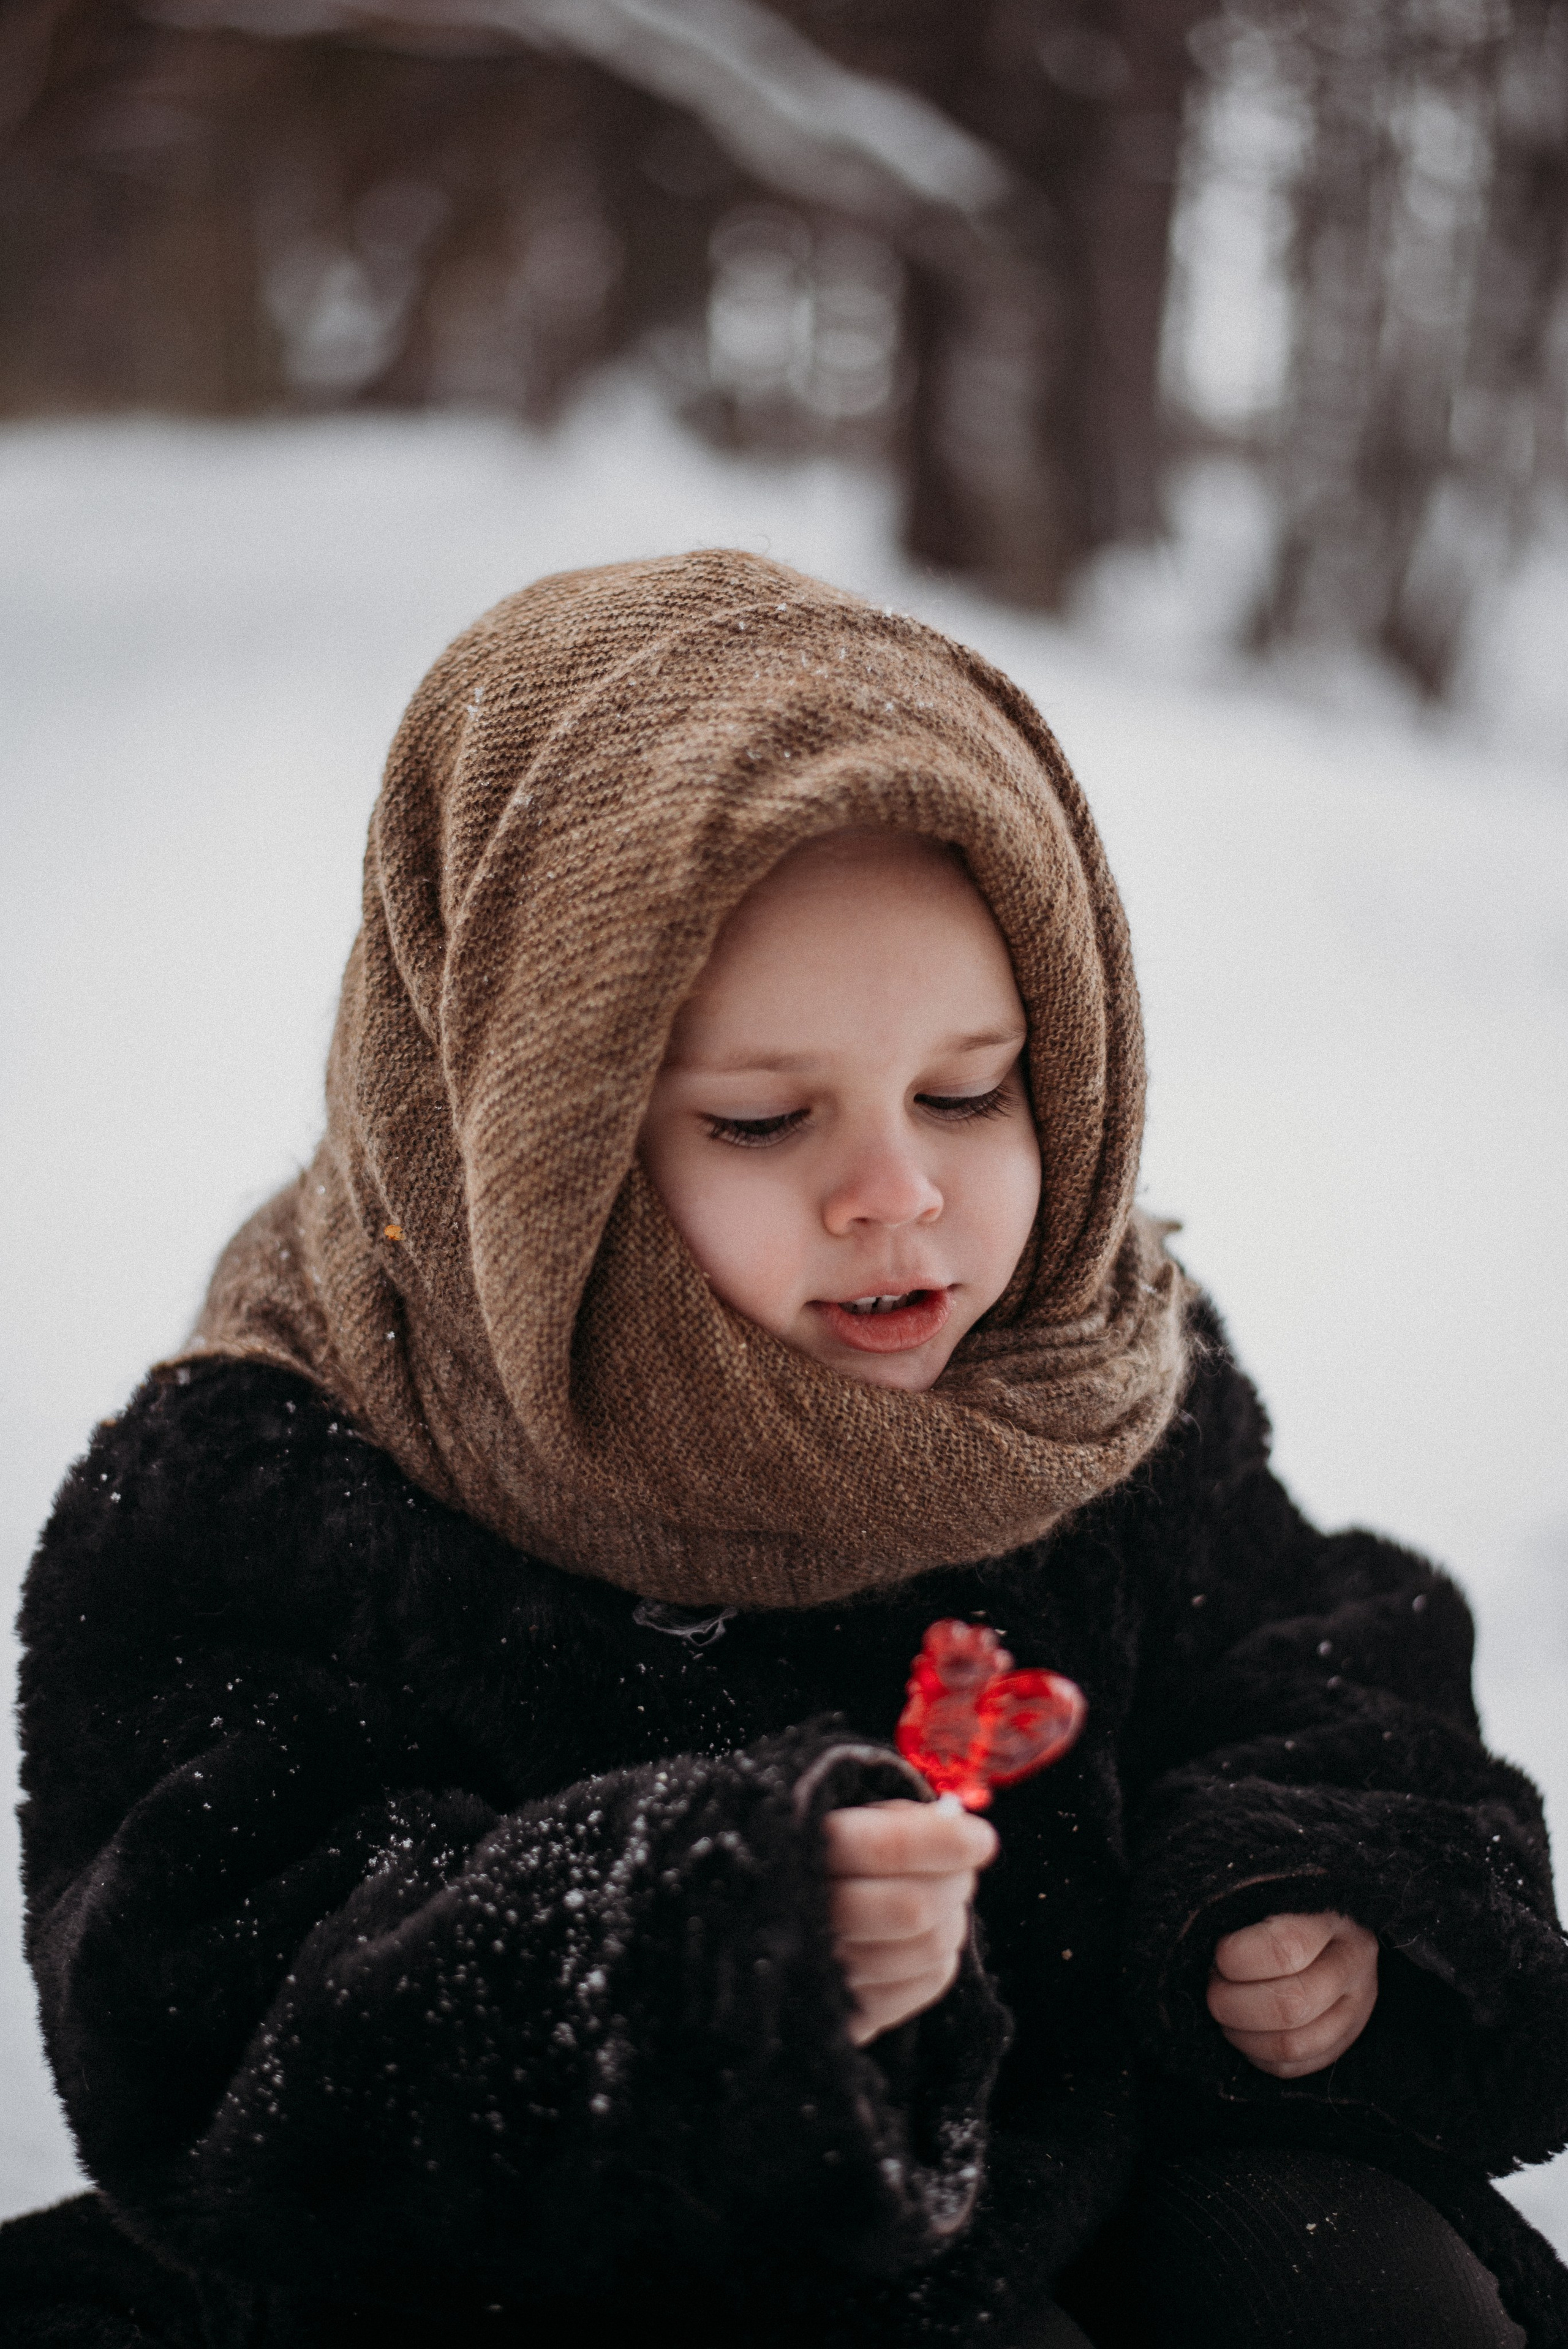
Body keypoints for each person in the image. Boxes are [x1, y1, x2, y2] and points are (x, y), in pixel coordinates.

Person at [4, 551, 1566, 2349]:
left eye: (970, 1090)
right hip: (583, 2272)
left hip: (1084, 2169)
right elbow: (213, 2014)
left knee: (1367, 2290)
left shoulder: (1078, 1370)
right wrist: (702, 1963)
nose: (897, 1194)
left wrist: (1305, 1889)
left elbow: (1298, 1641)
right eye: (762, 1117)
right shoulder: (285, 1487)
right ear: (529, 1130)